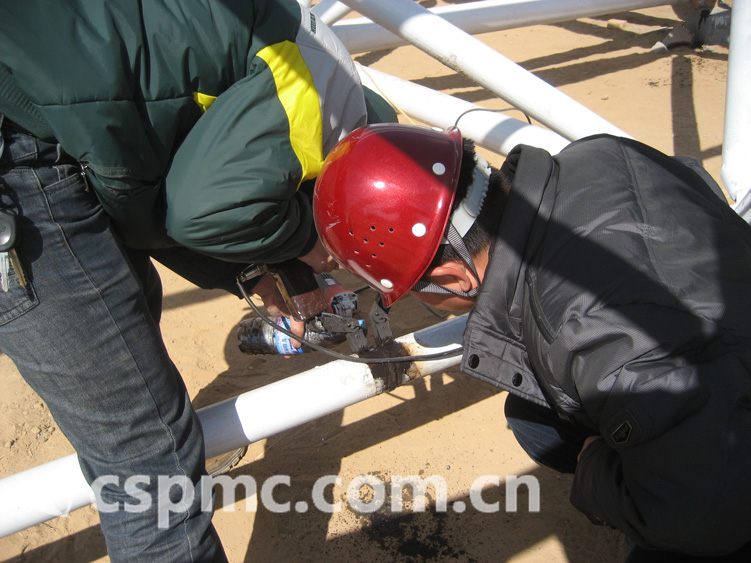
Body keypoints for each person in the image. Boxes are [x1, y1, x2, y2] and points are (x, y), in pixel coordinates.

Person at [0, 1, 395, 560]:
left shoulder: (294, 63)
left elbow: (147, 202)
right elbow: (190, 214)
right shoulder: (308, 93)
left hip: (52, 118)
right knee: (147, 466)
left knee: (128, 316)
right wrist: (306, 243)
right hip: (18, 169)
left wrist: (255, 267)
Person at [312, 123, 751, 561]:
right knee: (533, 417)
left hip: (723, 455)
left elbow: (700, 511)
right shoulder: (598, 152)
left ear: (454, 278)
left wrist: (595, 471)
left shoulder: (585, 337)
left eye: (414, 291)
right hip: (724, 324)